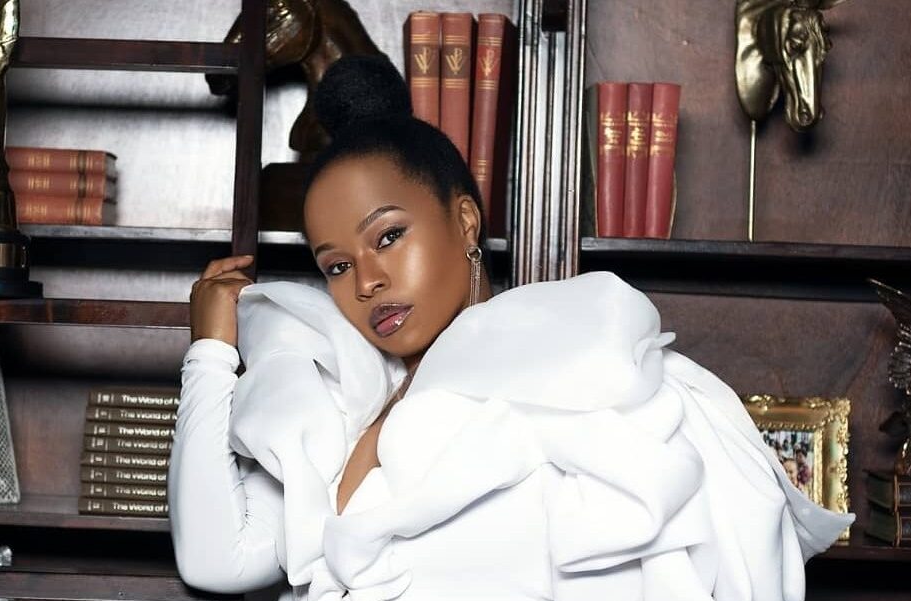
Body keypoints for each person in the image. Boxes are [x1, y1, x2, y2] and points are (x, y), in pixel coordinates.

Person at [169, 55, 852, 601]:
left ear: (465, 220)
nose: (367, 280)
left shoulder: (590, 369)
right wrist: (209, 353)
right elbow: (216, 559)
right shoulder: (338, 395)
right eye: (337, 265)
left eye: (390, 235)